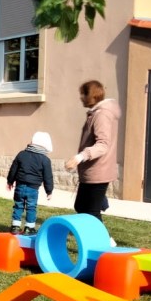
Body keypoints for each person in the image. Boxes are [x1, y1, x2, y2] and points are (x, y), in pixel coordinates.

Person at [64, 80, 121, 221]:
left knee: (91, 212)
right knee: (82, 207)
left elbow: (102, 145)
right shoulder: (95, 113)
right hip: (91, 172)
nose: (81, 97)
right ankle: (89, 238)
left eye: (83, 94)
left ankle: (106, 242)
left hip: (99, 172)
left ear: (92, 96)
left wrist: (79, 157)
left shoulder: (101, 115)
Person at [6, 131, 54, 235]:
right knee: (31, 207)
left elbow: (13, 169)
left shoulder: (22, 154)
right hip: (33, 189)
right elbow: (48, 177)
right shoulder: (45, 160)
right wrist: (49, 191)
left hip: (19, 186)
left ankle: (15, 226)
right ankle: (29, 227)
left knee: (18, 205)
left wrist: (10, 181)